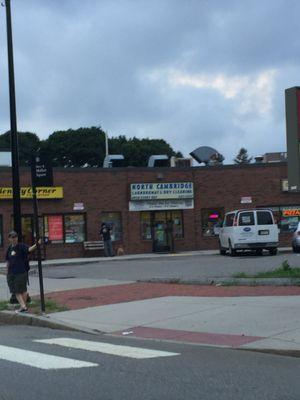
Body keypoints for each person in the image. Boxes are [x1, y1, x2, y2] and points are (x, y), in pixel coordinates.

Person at [6, 230, 40, 313]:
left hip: (21, 272)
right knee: (18, 291)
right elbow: (8, 261)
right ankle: (23, 307)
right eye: (12, 237)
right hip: (11, 273)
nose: (14, 239)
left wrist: (37, 244)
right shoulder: (9, 249)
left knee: (19, 291)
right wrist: (7, 272)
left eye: (15, 237)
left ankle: (23, 307)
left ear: (17, 238)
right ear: (9, 239)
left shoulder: (21, 246)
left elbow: (29, 249)